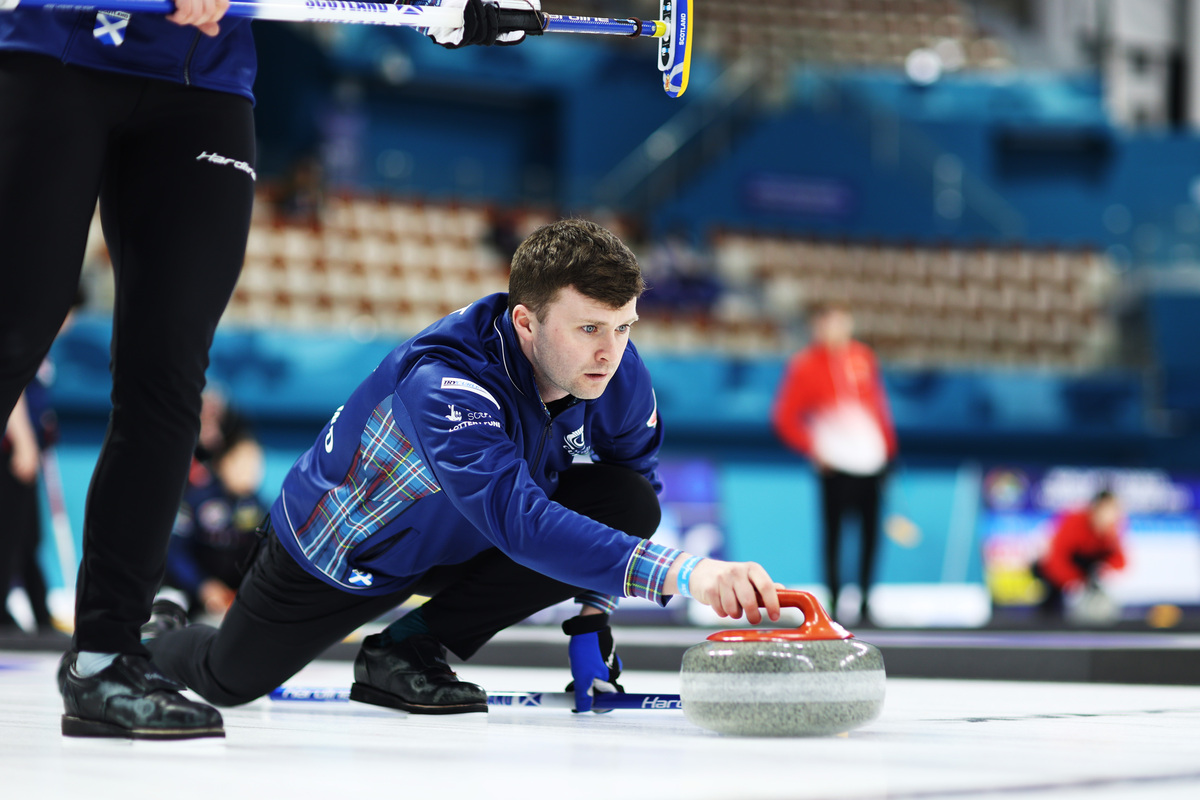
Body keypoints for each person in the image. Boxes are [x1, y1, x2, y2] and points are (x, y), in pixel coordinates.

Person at [0, 0, 538, 740]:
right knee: (11, 336)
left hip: (206, 81)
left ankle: (104, 657)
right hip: (56, 51)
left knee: (168, 377)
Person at [145, 219, 781, 716]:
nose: (610, 352)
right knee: (228, 682)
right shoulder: (445, 383)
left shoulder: (613, 367)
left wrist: (593, 618)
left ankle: (406, 648)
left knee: (629, 501)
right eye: (590, 328)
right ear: (525, 322)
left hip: (461, 538)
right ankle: (156, 633)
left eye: (624, 327)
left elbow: (630, 482)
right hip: (341, 551)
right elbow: (522, 524)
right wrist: (689, 574)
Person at [772, 301, 897, 624]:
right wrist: (814, 449)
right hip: (836, 465)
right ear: (817, 327)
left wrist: (888, 450)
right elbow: (785, 417)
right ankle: (834, 600)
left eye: (842, 322)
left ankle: (867, 600)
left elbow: (878, 407)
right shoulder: (805, 365)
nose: (835, 330)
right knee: (835, 533)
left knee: (871, 533)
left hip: (871, 462)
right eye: (828, 323)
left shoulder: (862, 358)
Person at [0, 290, 82, 636]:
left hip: (30, 451)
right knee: (9, 534)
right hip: (13, 452)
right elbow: (11, 389)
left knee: (28, 537)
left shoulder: (44, 350)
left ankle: (39, 612)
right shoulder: (25, 341)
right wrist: (24, 441)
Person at [163, 427, 268, 619]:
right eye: (242, 462)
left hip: (234, 601)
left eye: (255, 462)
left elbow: (265, 558)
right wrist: (203, 586)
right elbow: (175, 553)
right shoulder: (196, 501)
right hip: (191, 594)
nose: (250, 471)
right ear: (223, 462)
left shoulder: (261, 508)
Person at [1032, 490, 1126, 619]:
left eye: (1115, 510)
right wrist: (1074, 582)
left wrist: (1102, 569)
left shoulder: (1111, 531)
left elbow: (1120, 561)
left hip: (1084, 579)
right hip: (1054, 574)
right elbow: (1055, 560)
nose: (1112, 515)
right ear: (1096, 508)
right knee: (1052, 608)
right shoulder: (1075, 522)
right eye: (1107, 509)